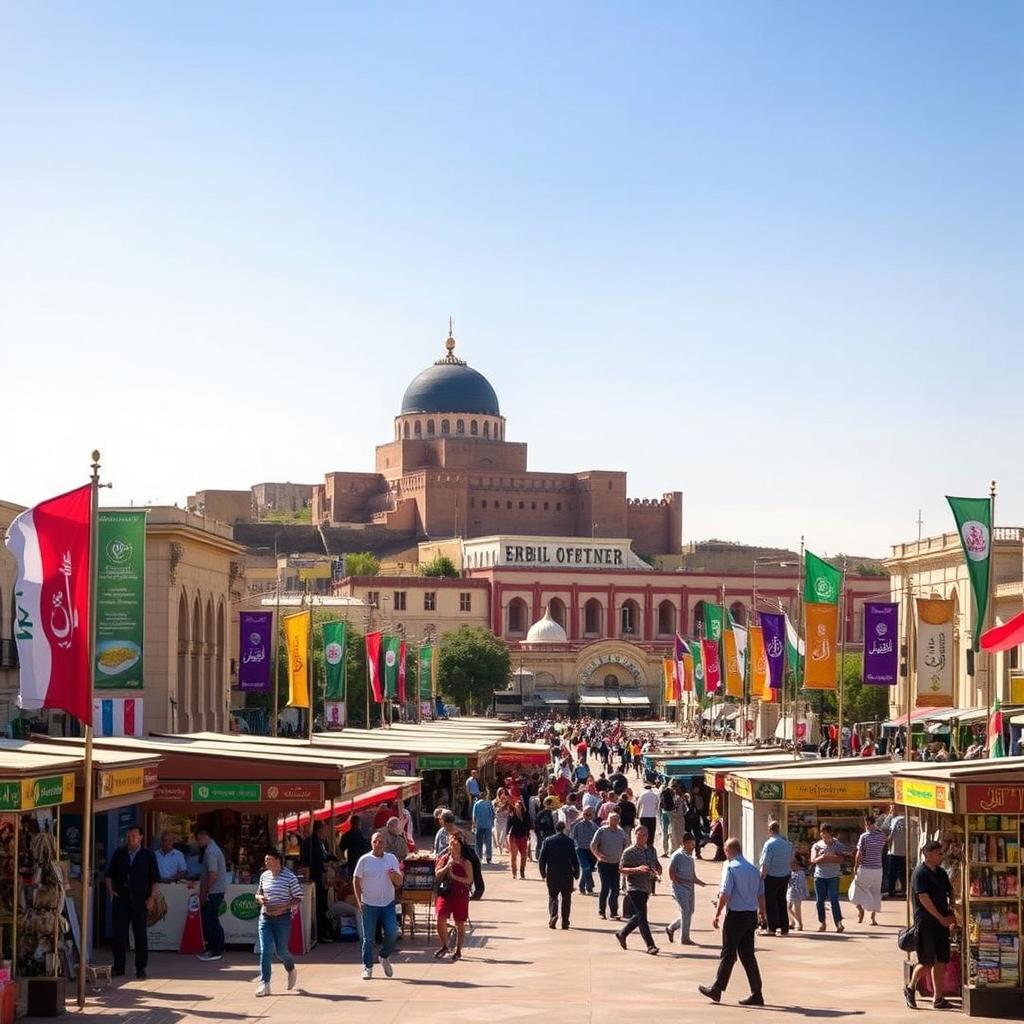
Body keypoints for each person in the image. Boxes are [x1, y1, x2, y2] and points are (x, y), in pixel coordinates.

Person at [698, 837, 766, 1006]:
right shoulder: (752, 869)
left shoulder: (731, 868)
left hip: (736, 916)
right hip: (751, 915)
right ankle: (757, 993)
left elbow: (725, 893)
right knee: (747, 955)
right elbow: (761, 894)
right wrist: (762, 914)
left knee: (728, 953)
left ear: (729, 850)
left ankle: (717, 989)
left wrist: (717, 913)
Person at [904, 840, 956, 1010]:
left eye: (941, 853)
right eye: (938, 853)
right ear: (927, 854)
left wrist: (951, 910)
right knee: (926, 961)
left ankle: (938, 997)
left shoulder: (941, 872)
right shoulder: (920, 873)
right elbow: (923, 898)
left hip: (942, 922)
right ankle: (911, 987)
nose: (941, 856)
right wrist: (940, 917)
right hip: (926, 922)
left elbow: (950, 890)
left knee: (941, 959)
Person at [105, 826, 160, 979]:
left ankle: (141, 967)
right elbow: (109, 875)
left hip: (140, 900)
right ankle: (119, 967)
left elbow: (155, 880)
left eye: (133, 836)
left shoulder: (148, 855)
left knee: (140, 935)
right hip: (121, 899)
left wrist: (151, 898)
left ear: (141, 837)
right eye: (128, 836)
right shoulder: (119, 853)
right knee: (119, 935)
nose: (130, 838)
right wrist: (111, 891)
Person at [352, 829, 404, 980]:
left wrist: (394, 876)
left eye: (381, 842)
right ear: (371, 843)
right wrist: (358, 899)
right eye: (375, 841)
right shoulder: (364, 860)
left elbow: (399, 882)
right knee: (368, 938)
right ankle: (367, 967)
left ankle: (384, 956)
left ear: (385, 844)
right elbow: (356, 879)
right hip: (369, 904)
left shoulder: (391, 858)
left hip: (387, 903)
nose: (378, 844)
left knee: (392, 932)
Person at [254, 849, 302, 996]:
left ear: (277, 860)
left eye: (269, 859)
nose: (266, 862)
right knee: (265, 950)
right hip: (265, 918)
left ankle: (291, 968)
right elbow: (258, 893)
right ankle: (265, 983)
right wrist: (260, 899)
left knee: (281, 951)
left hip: (282, 919)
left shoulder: (289, 877)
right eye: (265, 859)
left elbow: (298, 897)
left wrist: (282, 908)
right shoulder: (264, 876)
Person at [614, 825, 662, 954]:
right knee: (642, 916)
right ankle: (650, 945)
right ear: (635, 836)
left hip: (647, 886)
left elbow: (656, 865)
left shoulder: (651, 850)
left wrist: (657, 871)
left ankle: (622, 933)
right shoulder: (629, 851)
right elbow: (621, 869)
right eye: (639, 835)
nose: (641, 838)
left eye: (644, 835)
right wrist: (637, 869)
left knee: (639, 916)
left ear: (647, 836)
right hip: (634, 887)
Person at [434, 832, 473, 960]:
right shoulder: (445, 858)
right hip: (446, 891)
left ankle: (458, 949)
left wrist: (455, 877)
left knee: (459, 922)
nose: (452, 845)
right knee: (440, 917)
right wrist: (447, 867)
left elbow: (469, 880)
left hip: (461, 893)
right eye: (450, 843)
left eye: (455, 842)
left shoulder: (466, 862)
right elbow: (437, 874)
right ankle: (445, 945)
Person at [539, 820, 580, 929]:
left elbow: (542, 858)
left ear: (555, 829)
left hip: (552, 872)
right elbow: (574, 859)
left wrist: (543, 872)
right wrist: (577, 873)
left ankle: (553, 915)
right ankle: (565, 921)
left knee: (553, 896)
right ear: (564, 829)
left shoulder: (548, 841)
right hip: (566, 873)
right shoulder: (569, 841)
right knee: (566, 898)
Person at [301, 821, 337, 943]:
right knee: (319, 906)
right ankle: (320, 934)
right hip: (315, 877)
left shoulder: (322, 842)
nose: (327, 830)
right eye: (325, 828)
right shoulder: (311, 842)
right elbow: (309, 861)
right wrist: (323, 866)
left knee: (323, 904)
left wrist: (332, 859)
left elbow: (324, 856)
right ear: (319, 829)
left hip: (323, 878)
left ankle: (325, 931)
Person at [666, 833, 705, 944]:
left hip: (690, 888)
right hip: (679, 888)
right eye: (690, 844)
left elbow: (693, 875)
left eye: (693, 844)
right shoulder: (677, 855)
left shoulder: (690, 857)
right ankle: (685, 938)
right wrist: (679, 882)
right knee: (685, 911)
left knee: (690, 911)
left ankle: (671, 928)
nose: (692, 846)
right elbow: (671, 873)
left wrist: (700, 882)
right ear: (684, 843)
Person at [196, 829, 227, 961]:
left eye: (199, 839)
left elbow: (213, 874)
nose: (198, 843)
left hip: (213, 891)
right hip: (216, 890)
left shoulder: (210, 851)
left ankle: (215, 950)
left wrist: (205, 891)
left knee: (210, 920)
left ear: (204, 837)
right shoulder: (213, 849)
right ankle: (217, 947)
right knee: (213, 919)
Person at [851, 813, 888, 926]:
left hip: (865, 868)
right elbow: (887, 838)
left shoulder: (864, 837)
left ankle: (860, 910)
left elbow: (860, 853)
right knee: (876, 893)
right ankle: (872, 918)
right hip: (878, 869)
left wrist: (855, 866)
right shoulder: (881, 835)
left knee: (855, 890)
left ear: (867, 823)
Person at [759, 821, 794, 937]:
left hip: (771, 876)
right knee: (781, 901)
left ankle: (772, 928)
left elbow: (765, 862)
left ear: (770, 830)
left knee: (770, 902)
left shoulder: (769, 844)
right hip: (784, 876)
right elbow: (791, 860)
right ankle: (784, 928)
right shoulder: (788, 843)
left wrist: (762, 876)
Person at [591, 811, 628, 921]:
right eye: (612, 819)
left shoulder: (621, 832)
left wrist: (624, 860)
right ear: (608, 820)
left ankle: (614, 912)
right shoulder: (602, 831)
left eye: (616, 819)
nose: (614, 821)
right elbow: (593, 845)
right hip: (604, 864)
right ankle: (602, 911)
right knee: (605, 888)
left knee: (615, 889)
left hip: (616, 864)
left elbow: (626, 846)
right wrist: (598, 855)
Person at [810, 823, 846, 933]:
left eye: (827, 834)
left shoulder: (837, 844)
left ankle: (838, 923)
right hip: (820, 876)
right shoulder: (817, 845)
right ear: (821, 834)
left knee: (834, 899)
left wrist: (829, 856)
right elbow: (813, 860)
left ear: (831, 833)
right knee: (819, 901)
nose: (825, 837)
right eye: (823, 834)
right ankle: (822, 922)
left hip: (833, 876)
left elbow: (841, 859)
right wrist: (822, 857)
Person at [878, 803, 907, 898]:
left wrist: (883, 842)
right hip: (905, 851)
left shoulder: (896, 820)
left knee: (892, 872)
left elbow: (885, 831)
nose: (891, 810)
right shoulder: (908, 819)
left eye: (892, 808)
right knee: (903, 872)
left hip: (894, 851)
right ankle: (904, 890)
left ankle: (891, 891)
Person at [571, 806, 599, 895]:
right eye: (584, 814)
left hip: (591, 850)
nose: (586, 816)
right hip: (581, 850)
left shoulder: (594, 826)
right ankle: (590, 886)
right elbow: (573, 837)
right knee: (586, 868)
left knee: (589, 869)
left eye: (588, 814)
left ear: (592, 816)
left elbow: (598, 838)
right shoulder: (577, 825)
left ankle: (582, 886)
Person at [507, 800, 531, 878]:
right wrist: (506, 834)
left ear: (522, 807)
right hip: (513, 836)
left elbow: (528, 825)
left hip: (523, 836)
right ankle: (514, 873)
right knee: (513, 856)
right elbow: (508, 826)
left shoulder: (526, 814)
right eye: (516, 806)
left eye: (519, 806)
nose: (518, 807)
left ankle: (522, 871)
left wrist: (528, 835)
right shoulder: (512, 815)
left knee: (524, 855)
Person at [471, 792, 495, 864]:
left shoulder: (476, 804)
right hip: (488, 825)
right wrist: (492, 823)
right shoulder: (489, 804)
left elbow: (474, 816)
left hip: (479, 825)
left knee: (479, 842)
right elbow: (492, 814)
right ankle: (488, 858)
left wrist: (473, 825)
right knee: (488, 842)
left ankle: (479, 857)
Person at [636, 782, 659, 853]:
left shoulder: (642, 795)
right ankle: (650, 846)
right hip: (652, 816)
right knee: (651, 833)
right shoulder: (655, 795)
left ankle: (643, 846)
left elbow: (638, 805)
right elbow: (657, 805)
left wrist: (637, 814)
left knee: (643, 832)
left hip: (643, 816)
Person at [787, 853, 808, 932]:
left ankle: (798, 923)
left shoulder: (798, 872)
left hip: (795, 891)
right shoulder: (797, 872)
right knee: (790, 907)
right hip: (793, 891)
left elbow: (799, 884)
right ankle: (792, 922)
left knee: (794, 908)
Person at [659, 781, 676, 857]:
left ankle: (665, 851)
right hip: (672, 814)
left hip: (664, 813)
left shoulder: (663, 792)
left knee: (664, 834)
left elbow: (659, 805)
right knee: (673, 833)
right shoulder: (673, 793)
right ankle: (673, 850)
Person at [493, 789, 510, 856]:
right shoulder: (495, 802)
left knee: (502, 836)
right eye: (502, 793)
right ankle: (501, 848)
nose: (503, 794)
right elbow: (496, 811)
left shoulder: (508, 802)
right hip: (497, 821)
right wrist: (501, 807)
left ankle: (503, 846)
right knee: (497, 835)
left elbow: (510, 811)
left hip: (505, 820)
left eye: (504, 793)